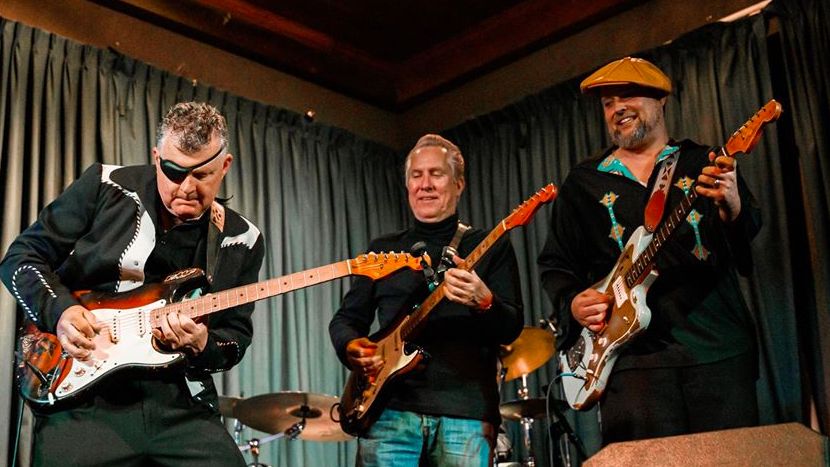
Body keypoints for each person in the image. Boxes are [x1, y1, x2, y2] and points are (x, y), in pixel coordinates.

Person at [0, 102, 265, 466]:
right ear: (156, 158)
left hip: (179, 403)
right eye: (173, 172)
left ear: (225, 166)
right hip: (85, 394)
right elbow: (21, 258)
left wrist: (203, 343)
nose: (187, 188)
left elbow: (234, 338)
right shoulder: (105, 185)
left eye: (202, 174)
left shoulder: (242, 238)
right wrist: (60, 312)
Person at [537, 57, 762, 444]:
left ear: (661, 99)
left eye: (629, 96)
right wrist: (573, 302)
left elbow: (745, 239)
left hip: (717, 349)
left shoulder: (705, 163)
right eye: (608, 103)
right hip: (631, 364)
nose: (617, 108)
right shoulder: (583, 183)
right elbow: (556, 264)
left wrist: (732, 205)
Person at [329, 134, 523, 466]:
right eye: (416, 175)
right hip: (388, 413)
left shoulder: (490, 245)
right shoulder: (382, 250)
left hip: (465, 414)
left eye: (437, 174)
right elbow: (346, 319)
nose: (425, 184)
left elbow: (512, 326)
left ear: (459, 184)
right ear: (407, 186)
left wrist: (485, 301)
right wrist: (350, 347)